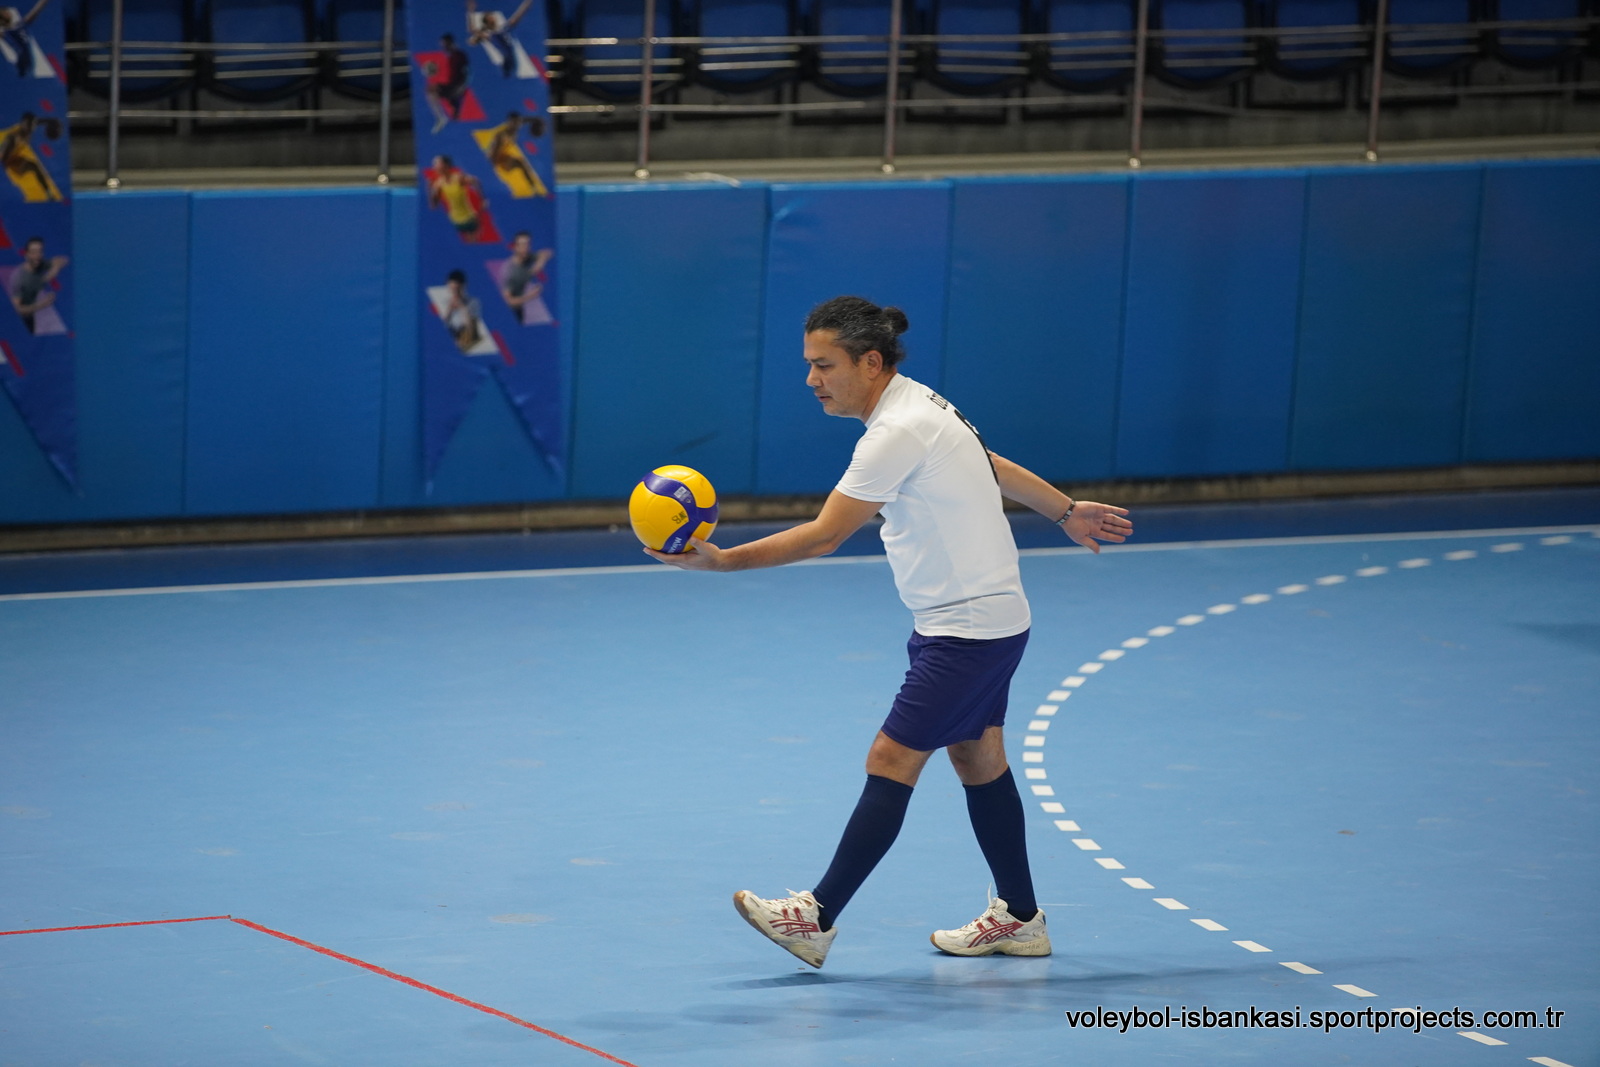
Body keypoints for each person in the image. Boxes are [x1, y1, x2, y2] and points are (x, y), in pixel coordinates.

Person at [646, 296, 1133, 969]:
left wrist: (725, 562)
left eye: (825, 366)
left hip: (967, 628)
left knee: (891, 757)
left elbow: (826, 534)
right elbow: (989, 462)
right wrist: (1065, 510)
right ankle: (1020, 918)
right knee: (978, 759)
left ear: (869, 363)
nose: (812, 379)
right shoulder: (920, 403)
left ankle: (814, 918)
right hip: (976, 620)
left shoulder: (894, 431)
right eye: (809, 364)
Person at [7, 236, 65, 333]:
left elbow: (61, 260)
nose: (37, 255)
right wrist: (43, 304)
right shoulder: (18, 278)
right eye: (33, 252)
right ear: (26, 255)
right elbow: (18, 309)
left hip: (31, 317)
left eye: (40, 252)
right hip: (21, 322)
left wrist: (55, 268)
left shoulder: (39, 264)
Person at [484, 111, 547, 197]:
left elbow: (522, 120)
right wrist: (490, 172)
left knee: (522, 163)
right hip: (496, 159)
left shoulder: (515, 127)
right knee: (520, 163)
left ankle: (534, 188)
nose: (517, 125)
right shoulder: (502, 136)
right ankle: (534, 188)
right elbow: (493, 153)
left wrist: (536, 119)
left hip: (503, 156)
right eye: (514, 123)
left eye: (518, 123)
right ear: (509, 123)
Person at [0, 111, 61, 201]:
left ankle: (49, 194)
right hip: (10, 161)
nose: (31, 127)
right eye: (29, 125)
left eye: (33, 125)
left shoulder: (29, 126)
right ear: (23, 124)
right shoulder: (12, 138)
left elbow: (38, 121)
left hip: (15, 155)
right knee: (33, 166)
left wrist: (51, 121)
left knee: (35, 166)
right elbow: (3, 157)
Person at [466, 0, 533, 77]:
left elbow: (519, 15)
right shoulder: (490, 35)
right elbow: (472, 31)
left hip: (512, 62)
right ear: (487, 22)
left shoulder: (504, 29)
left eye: (493, 17)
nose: (494, 18)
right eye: (491, 18)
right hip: (508, 62)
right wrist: (470, 11)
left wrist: (527, 3)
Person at [426, 155, 483, 240]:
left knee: (472, 243)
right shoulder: (438, 184)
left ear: (446, 165)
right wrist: (429, 190)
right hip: (455, 222)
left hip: (469, 219)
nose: (434, 167)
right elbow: (433, 206)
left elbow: (476, 181)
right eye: (434, 165)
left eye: (436, 164)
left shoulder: (459, 178)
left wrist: (482, 200)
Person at [499, 231, 551, 323]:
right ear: (515, 247)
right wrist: (531, 296)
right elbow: (509, 301)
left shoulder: (528, 257)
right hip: (512, 315)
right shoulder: (510, 272)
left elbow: (547, 253)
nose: (526, 248)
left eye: (528, 244)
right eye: (522, 245)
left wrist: (539, 265)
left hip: (523, 311)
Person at [424, 32, 470, 133]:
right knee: (431, 89)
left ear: (450, 43)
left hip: (456, 88)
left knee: (430, 90)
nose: (443, 48)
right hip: (453, 87)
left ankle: (441, 118)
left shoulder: (459, 55)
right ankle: (445, 116)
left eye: (445, 45)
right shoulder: (452, 57)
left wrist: (461, 88)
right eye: (442, 45)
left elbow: (467, 72)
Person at [0, 0, 53, 78]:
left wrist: (43, 2)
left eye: (6, 10)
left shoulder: (20, 25)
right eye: (5, 11)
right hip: (22, 63)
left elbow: (35, 11)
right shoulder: (5, 32)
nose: (8, 12)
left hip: (29, 63)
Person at [441, 269, 483, 351]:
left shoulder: (473, 303)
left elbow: (471, 327)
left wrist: (462, 308)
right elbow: (440, 326)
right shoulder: (443, 303)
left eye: (458, 289)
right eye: (452, 289)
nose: (455, 292)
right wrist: (450, 310)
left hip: (466, 341)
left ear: (463, 286)